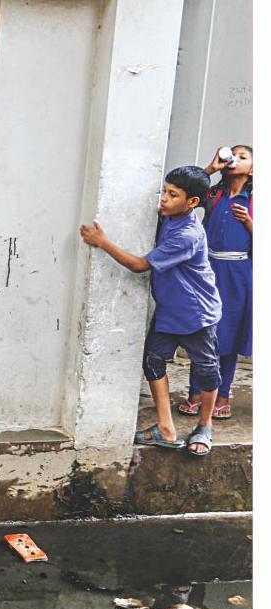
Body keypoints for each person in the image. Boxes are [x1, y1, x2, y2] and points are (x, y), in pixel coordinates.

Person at [79, 166, 222, 456]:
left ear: (192, 202)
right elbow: (194, 185)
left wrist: (102, 242)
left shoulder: (188, 234)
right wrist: (208, 170)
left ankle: (205, 426)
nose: (164, 199)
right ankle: (166, 429)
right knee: (153, 361)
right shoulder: (171, 215)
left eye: (173, 194)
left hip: (196, 313)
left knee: (206, 371)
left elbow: (139, 265)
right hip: (170, 310)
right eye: (164, 191)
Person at [179, 145, 253, 420]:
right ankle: (195, 393)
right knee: (202, 331)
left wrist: (249, 222)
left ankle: (222, 396)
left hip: (238, 275)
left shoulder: (255, 200)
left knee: (228, 335)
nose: (234, 159)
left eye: (243, 157)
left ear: (253, 170)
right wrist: (211, 168)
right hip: (207, 269)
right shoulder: (213, 194)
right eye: (232, 154)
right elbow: (185, 190)